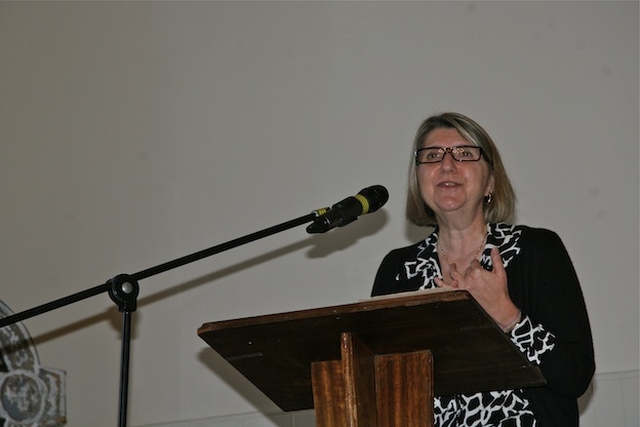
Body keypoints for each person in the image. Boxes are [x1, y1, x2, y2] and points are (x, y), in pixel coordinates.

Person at [371, 112, 595, 427]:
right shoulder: (398, 270)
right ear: (418, 180)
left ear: (490, 181)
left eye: (464, 154)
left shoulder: (535, 250)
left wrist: (509, 318)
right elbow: (382, 389)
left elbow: (576, 376)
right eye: (432, 156)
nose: (447, 165)